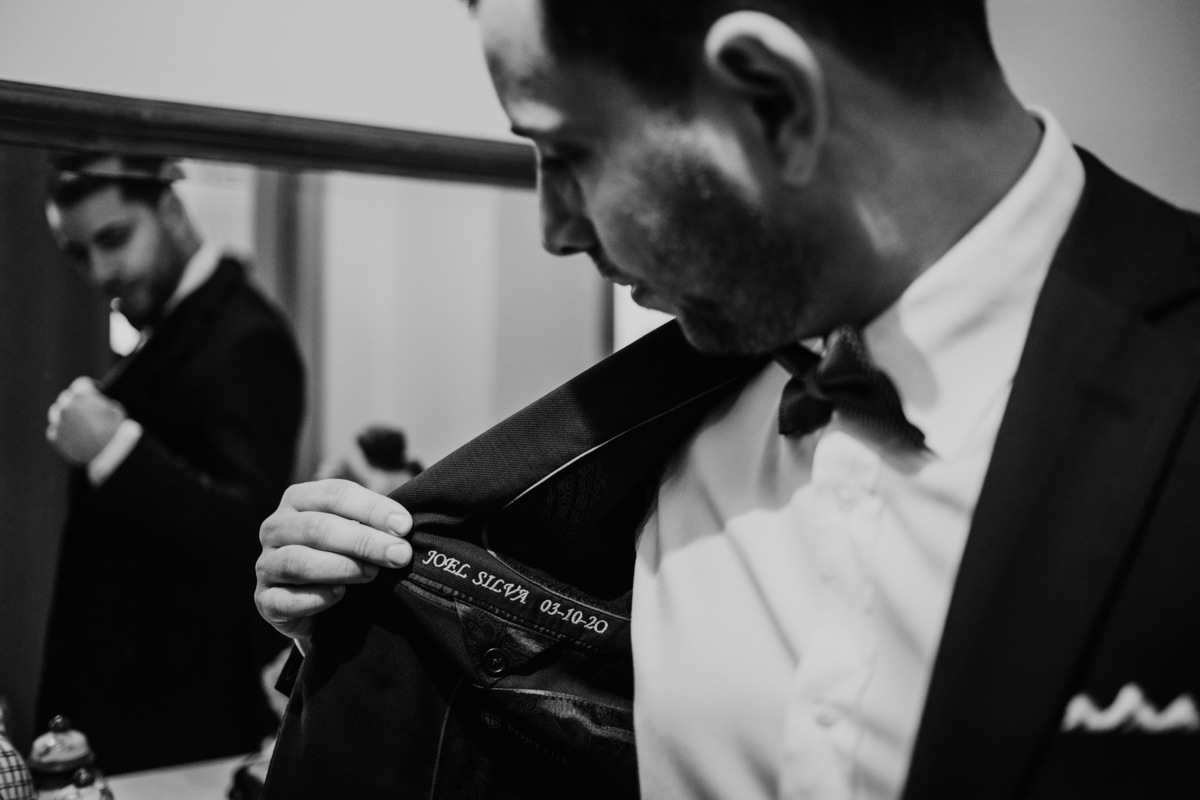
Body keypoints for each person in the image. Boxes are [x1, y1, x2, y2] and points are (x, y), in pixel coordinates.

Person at [254, 1, 1200, 798]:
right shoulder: (644, 428)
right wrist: (371, 626)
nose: (554, 227)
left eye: (568, 149)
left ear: (772, 101)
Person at [38, 153, 305, 774]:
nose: (99, 271)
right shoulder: (172, 325)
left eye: (114, 239)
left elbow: (250, 528)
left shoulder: (246, 335)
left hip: (181, 726)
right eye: (78, 253)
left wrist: (115, 449)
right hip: (133, 716)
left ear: (171, 208)